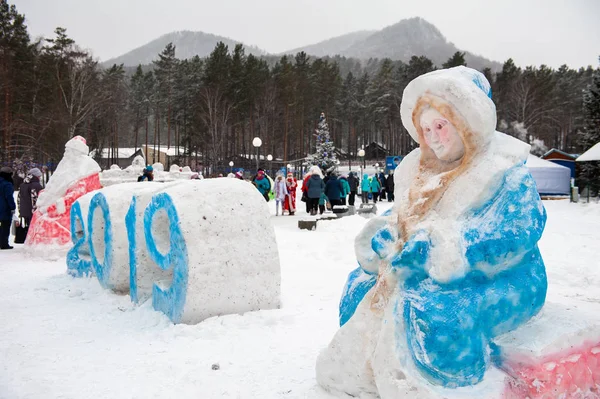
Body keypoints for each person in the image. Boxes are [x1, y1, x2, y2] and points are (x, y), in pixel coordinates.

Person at [325, 67, 548, 392]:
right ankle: (365, 375)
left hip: (505, 277)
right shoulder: (417, 172)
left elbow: (519, 230)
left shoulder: (504, 171)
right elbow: (399, 215)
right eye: (425, 128)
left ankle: (451, 387)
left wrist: (448, 248)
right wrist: (386, 235)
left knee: (438, 313)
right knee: (359, 289)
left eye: (440, 125)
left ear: (466, 122)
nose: (432, 136)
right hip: (417, 271)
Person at [18, 168, 44, 239]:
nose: (40, 177)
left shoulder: (22, 185)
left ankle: (29, 240)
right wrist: (36, 210)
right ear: (36, 176)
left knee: (29, 227)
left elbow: (19, 198)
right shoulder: (36, 185)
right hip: (32, 211)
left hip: (24, 211)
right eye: (39, 176)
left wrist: (20, 210)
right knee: (34, 228)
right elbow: (36, 199)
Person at [0, 166, 16, 250]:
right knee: (5, 227)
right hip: (4, 209)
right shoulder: (7, 184)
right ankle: (4, 244)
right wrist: (13, 207)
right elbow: (9, 197)